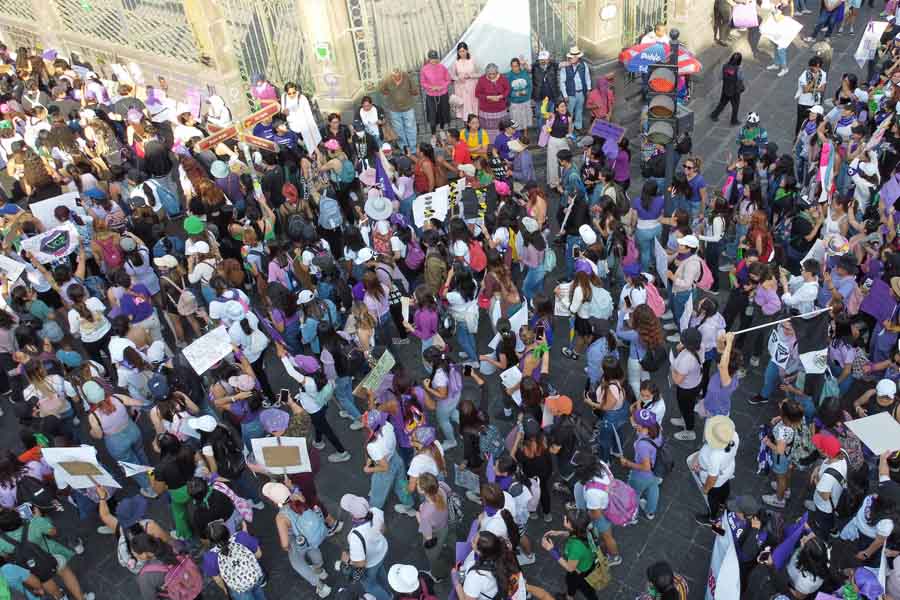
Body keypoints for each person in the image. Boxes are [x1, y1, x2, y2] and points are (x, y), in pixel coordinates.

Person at [261, 482, 332, 598]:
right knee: (314, 549)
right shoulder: (298, 496)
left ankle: (321, 586)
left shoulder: (281, 517)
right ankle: (320, 571)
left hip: (298, 540)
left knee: (298, 563)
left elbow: (285, 543)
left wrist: (287, 548)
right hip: (311, 535)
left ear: (275, 501)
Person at [341, 494, 391, 600]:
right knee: (381, 572)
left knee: (370, 586)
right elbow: (383, 530)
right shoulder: (376, 511)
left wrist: (348, 560)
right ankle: (389, 592)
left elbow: (361, 563)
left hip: (371, 562)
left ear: (352, 514)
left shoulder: (355, 536)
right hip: (382, 550)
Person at [691, 415, 739, 525]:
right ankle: (723, 502)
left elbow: (712, 478)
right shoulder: (734, 436)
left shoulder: (715, 456)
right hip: (728, 470)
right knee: (725, 486)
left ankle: (712, 517)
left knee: (712, 498)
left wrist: (706, 489)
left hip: (715, 480)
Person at [540, 509, 598, 600]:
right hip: (588, 564)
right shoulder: (586, 529)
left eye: (567, 519)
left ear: (572, 526)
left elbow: (570, 568)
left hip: (580, 572)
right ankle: (569, 596)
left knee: (585, 589)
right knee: (571, 581)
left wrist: (551, 550)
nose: (564, 517)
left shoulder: (576, 547)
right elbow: (575, 533)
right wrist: (560, 533)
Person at [203, 520, 267, 600]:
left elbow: (218, 579)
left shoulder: (210, 557)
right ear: (228, 531)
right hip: (254, 577)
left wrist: (225, 589)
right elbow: (259, 554)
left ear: (210, 540)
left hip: (238, 588)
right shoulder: (241, 537)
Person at [380, 68, 419, 152]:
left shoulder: (407, 77)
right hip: (394, 109)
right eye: (394, 76)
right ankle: (403, 148)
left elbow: (415, 90)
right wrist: (391, 96)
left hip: (408, 107)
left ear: (401, 73)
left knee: (411, 128)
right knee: (398, 130)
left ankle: (413, 148)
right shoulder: (387, 79)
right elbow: (382, 90)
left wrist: (408, 94)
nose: (396, 77)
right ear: (392, 75)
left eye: (398, 75)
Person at [559, 47, 591, 132]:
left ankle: (578, 126)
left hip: (581, 92)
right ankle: (569, 128)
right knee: (569, 112)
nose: (574, 58)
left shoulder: (584, 65)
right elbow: (562, 82)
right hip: (570, 93)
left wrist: (588, 89)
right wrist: (565, 95)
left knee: (579, 110)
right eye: (573, 56)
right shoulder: (565, 67)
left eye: (576, 56)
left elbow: (587, 77)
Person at [421, 50, 451, 140]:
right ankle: (433, 134)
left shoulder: (442, 67)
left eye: (435, 58)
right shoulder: (424, 69)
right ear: (429, 59)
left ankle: (442, 130)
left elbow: (448, 80)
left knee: (443, 113)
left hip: (443, 94)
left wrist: (441, 87)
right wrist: (431, 87)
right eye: (432, 59)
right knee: (432, 115)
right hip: (431, 95)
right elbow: (423, 82)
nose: (434, 60)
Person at [794, 57, 827, 136]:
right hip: (804, 102)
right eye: (815, 66)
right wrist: (813, 81)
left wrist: (811, 89)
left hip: (815, 102)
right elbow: (805, 90)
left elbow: (822, 89)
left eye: (819, 66)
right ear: (811, 66)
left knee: (812, 121)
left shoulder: (823, 74)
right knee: (801, 121)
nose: (817, 69)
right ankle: (798, 136)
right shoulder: (805, 74)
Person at [710, 53, 744, 125]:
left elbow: (722, 77)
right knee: (735, 106)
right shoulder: (738, 69)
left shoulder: (725, 66)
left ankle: (714, 115)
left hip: (726, 88)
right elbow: (740, 79)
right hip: (735, 91)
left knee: (722, 103)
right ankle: (734, 120)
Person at [449, 42, 479, 122]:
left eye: (463, 51)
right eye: (460, 51)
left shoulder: (473, 60)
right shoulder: (456, 63)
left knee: (473, 108)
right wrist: (458, 78)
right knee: (464, 109)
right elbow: (451, 76)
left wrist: (470, 75)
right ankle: (466, 129)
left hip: (472, 87)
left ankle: (474, 128)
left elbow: (480, 73)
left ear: (467, 51)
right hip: (461, 89)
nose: (462, 53)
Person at [506, 58, 533, 130]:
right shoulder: (508, 76)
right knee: (515, 120)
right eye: (513, 66)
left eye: (516, 66)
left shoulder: (524, 73)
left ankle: (525, 136)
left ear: (519, 66)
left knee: (525, 119)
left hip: (525, 101)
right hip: (515, 102)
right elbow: (507, 90)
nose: (515, 68)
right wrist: (515, 94)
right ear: (511, 66)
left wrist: (526, 92)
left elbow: (530, 86)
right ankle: (516, 136)